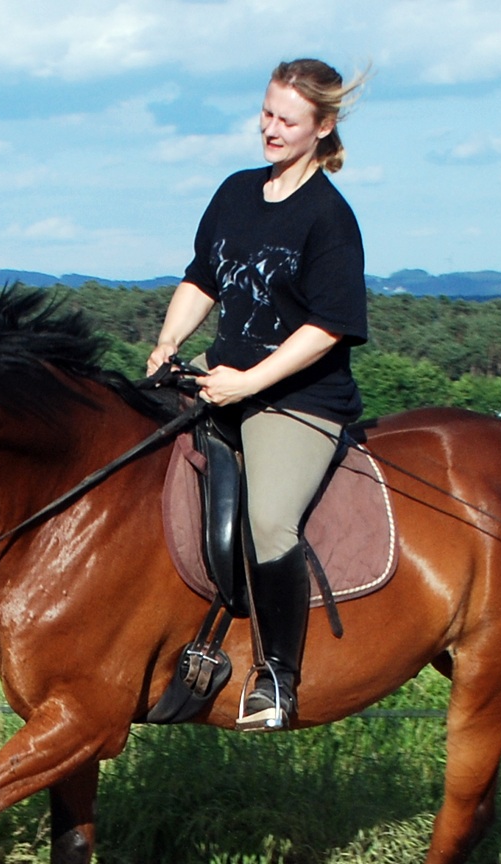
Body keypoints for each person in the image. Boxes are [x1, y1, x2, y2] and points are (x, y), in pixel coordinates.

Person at [146, 58, 368, 731]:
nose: (270, 129)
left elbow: (329, 327)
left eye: (287, 120)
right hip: (221, 378)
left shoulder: (329, 217)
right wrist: (166, 343)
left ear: (322, 126)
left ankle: (277, 676)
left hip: (297, 401)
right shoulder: (236, 193)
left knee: (270, 519)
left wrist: (247, 383)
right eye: (267, 114)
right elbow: (201, 280)